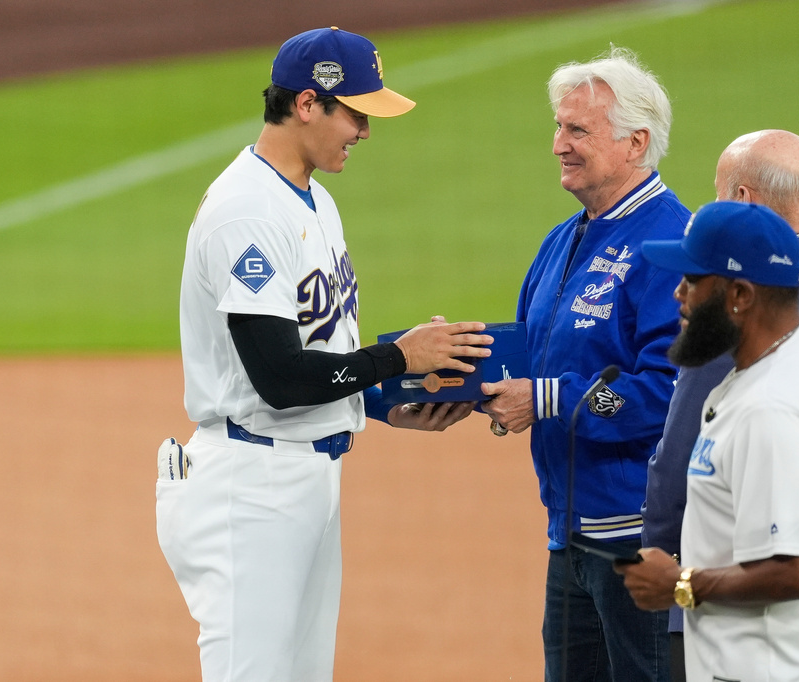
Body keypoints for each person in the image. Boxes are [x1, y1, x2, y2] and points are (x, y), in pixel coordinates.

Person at [155, 27, 493, 682]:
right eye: (356, 112)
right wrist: (397, 359)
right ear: (307, 104)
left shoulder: (314, 199)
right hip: (250, 488)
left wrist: (385, 403)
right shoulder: (247, 211)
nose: (365, 129)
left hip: (304, 479)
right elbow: (280, 376)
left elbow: (320, 354)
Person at [640, 129, 799, 681]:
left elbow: (797, 571)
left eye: (691, 281)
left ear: (739, 296)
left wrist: (676, 583)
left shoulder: (765, 405)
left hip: (777, 657)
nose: (678, 297)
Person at [482, 47, 687, 681]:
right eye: (559, 127)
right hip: (569, 533)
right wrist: (458, 373)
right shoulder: (563, 239)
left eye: (578, 130)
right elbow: (530, 353)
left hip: (638, 537)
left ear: (636, 143)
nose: (558, 145)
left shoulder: (670, 243)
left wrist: (545, 399)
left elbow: (668, 393)